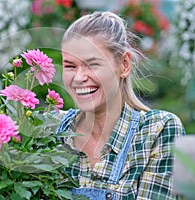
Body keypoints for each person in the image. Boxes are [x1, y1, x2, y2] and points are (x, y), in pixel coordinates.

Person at [56, 11, 185, 200]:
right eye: (70, 66)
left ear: (124, 65)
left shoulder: (157, 131)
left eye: (92, 64)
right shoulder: (52, 130)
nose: (79, 78)